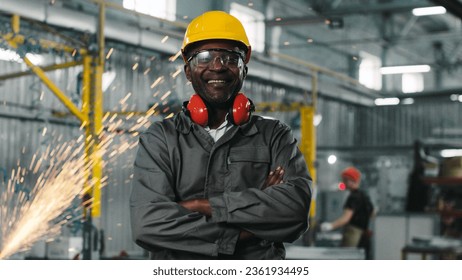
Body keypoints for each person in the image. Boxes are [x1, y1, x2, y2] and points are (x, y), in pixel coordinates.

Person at [129, 11, 312, 260]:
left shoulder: (275, 136)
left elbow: (294, 211)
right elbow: (148, 225)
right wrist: (252, 223)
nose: (217, 66)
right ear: (188, 71)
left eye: (229, 57)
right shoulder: (161, 139)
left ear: (243, 67)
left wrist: (201, 206)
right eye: (204, 57)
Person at [320, 167, 374, 259]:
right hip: (364, 235)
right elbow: (372, 213)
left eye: (345, 180)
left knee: (347, 258)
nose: (343, 182)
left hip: (353, 233)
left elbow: (346, 218)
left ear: (352, 180)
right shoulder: (364, 195)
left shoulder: (353, 197)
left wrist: (330, 226)